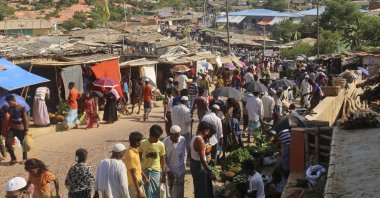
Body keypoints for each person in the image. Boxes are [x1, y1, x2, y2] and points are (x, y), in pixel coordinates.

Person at [139, 125, 166, 198]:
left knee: (156, 192)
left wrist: (163, 173)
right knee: (146, 192)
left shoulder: (161, 145)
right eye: (157, 137)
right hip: (144, 171)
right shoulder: (142, 143)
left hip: (156, 171)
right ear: (151, 136)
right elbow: (138, 159)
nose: (158, 139)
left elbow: (162, 160)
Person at [190, 121, 215, 198]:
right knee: (202, 190)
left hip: (194, 164)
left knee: (198, 188)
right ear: (206, 130)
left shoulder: (194, 137)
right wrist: (210, 172)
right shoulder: (200, 141)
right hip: (199, 166)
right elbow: (202, 160)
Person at [163, 125, 187, 198]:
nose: (177, 138)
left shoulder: (182, 139)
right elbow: (163, 159)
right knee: (171, 191)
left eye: (178, 136)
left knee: (180, 191)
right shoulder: (165, 142)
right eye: (175, 136)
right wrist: (168, 170)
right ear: (170, 134)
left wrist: (184, 166)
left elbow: (184, 153)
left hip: (180, 170)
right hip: (170, 171)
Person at [5, 95, 29, 165]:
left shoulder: (21, 107)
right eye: (8, 103)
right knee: (7, 143)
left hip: (21, 129)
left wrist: (26, 129)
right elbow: (9, 118)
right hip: (12, 128)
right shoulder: (10, 108)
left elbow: (25, 119)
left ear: (13, 100)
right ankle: (14, 159)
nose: (9, 104)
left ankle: (25, 158)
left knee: (23, 144)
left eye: (9, 102)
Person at [124, 132, 149, 198]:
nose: (141, 142)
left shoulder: (134, 151)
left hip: (138, 182)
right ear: (137, 142)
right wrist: (138, 190)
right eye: (140, 141)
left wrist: (145, 178)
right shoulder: (131, 154)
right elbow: (133, 173)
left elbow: (138, 167)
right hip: (133, 185)